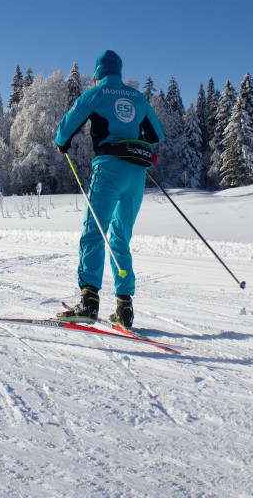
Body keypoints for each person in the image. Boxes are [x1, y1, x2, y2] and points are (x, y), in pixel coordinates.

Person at [54, 50, 164, 327]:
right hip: (137, 174)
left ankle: (89, 302)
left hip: (109, 171)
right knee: (119, 238)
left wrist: (62, 143)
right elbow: (157, 134)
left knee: (94, 233)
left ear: (97, 75)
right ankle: (124, 307)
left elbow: (67, 125)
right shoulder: (137, 97)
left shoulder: (96, 94)